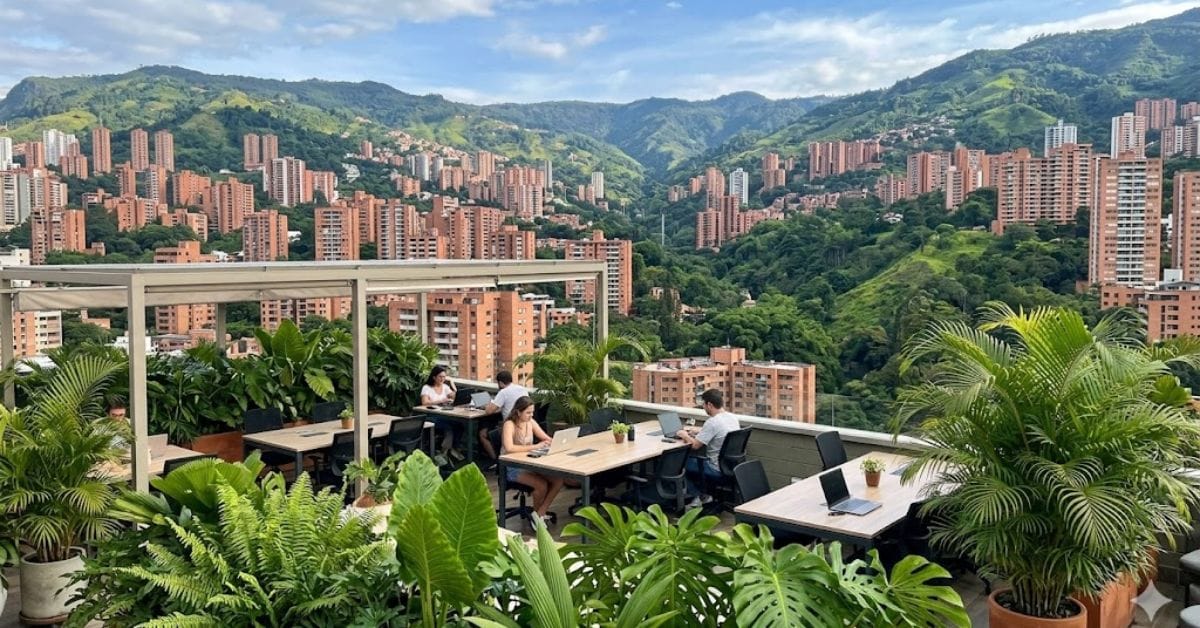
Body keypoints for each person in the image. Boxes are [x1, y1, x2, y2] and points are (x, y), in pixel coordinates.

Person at [501, 396, 563, 522]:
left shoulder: (531, 422)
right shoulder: (509, 424)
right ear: (518, 412)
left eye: (532, 412)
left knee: (558, 480)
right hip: (512, 466)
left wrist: (555, 442)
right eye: (528, 412)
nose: (531, 415)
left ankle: (540, 513)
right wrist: (535, 446)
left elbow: (545, 438)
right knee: (541, 485)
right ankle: (537, 517)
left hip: (529, 463)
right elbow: (509, 448)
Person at [675, 388, 740, 508]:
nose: (703, 408)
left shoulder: (712, 422)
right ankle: (702, 496)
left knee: (677, 465)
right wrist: (697, 432)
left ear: (709, 404)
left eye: (703, 405)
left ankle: (698, 497)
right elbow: (717, 433)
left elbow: (695, 446)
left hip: (714, 468)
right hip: (730, 467)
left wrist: (684, 435)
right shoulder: (732, 417)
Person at [479, 370, 529, 463]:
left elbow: (489, 411)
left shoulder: (503, 392)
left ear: (501, 383)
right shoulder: (522, 389)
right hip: (524, 425)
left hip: (510, 428)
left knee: (483, 434)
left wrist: (488, 406)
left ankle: (496, 461)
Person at [421, 366, 461, 456]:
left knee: (459, 425)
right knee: (448, 428)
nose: (442, 379)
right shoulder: (427, 388)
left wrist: (452, 384)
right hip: (431, 416)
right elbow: (425, 402)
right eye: (440, 377)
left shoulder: (445, 387)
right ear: (434, 377)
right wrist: (441, 401)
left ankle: (454, 448)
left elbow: (454, 396)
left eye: (444, 377)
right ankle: (444, 452)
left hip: (443, 414)